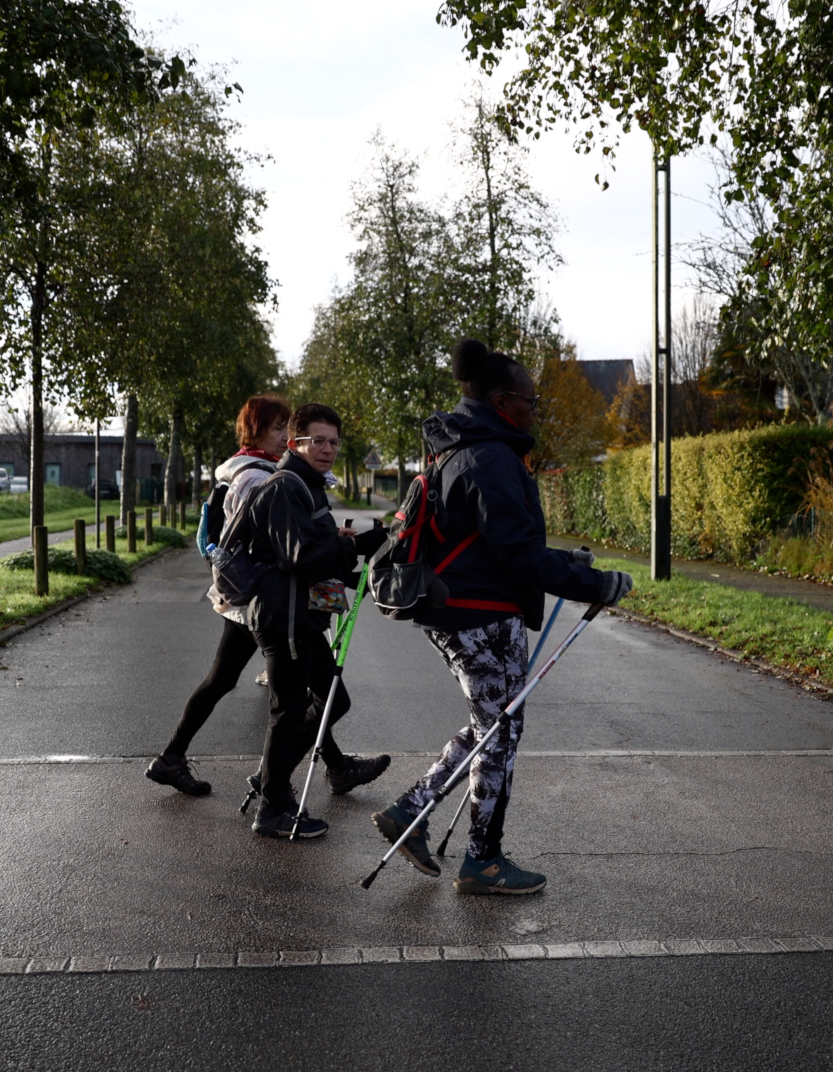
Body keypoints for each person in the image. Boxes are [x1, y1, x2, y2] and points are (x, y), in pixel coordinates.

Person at [372, 339, 630, 894]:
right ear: (502, 400)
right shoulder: (490, 456)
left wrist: (565, 562)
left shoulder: (457, 448)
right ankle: (482, 861)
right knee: (501, 729)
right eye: (532, 401)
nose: (535, 410)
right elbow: (515, 554)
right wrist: (597, 583)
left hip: (461, 609)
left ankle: (410, 813)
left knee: (495, 724)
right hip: (480, 616)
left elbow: (495, 544)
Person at [232, 402, 389, 838]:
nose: (327, 449)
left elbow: (316, 552)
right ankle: (274, 807)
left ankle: (271, 780)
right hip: (284, 616)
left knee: (333, 702)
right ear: (295, 442)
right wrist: (354, 548)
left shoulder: (308, 486)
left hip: (301, 614)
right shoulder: (286, 487)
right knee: (288, 712)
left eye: (334, 442)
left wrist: (356, 563)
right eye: (317, 440)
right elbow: (301, 556)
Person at [146, 396, 289, 795]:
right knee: (295, 690)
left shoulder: (242, 468)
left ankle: (171, 758)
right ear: (256, 429)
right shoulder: (255, 476)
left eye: (287, 427)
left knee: (228, 680)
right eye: (278, 428)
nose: (286, 436)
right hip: (257, 594)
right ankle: (294, 778)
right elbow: (267, 538)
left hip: (243, 593)